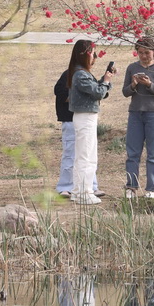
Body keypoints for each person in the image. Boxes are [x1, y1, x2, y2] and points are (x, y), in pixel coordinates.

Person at [67, 39, 115, 205]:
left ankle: (77, 191)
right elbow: (98, 93)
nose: (94, 57)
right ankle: (84, 192)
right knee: (86, 156)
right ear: (85, 54)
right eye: (93, 53)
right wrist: (106, 81)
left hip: (86, 116)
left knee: (85, 155)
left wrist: (105, 80)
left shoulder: (80, 73)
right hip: (85, 117)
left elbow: (98, 91)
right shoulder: (80, 74)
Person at [122, 37, 154, 199]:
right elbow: (125, 92)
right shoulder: (132, 67)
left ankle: (152, 189)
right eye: (140, 53)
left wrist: (149, 85)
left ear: (153, 52)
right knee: (133, 153)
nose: (143, 56)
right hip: (135, 113)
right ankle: (131, 187)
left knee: (153, 152)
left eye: (147, 53)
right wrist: (134, 84)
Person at [54, 69, 102, 199]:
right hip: (70, 119)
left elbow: (97, 92)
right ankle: (66, 187)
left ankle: (91, 186)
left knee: (87, 153)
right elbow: (59, 92)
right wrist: (77, 100)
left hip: (86, 119)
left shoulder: (88, 75)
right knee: (70, 153)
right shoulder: (69, 74)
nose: (92, 61)